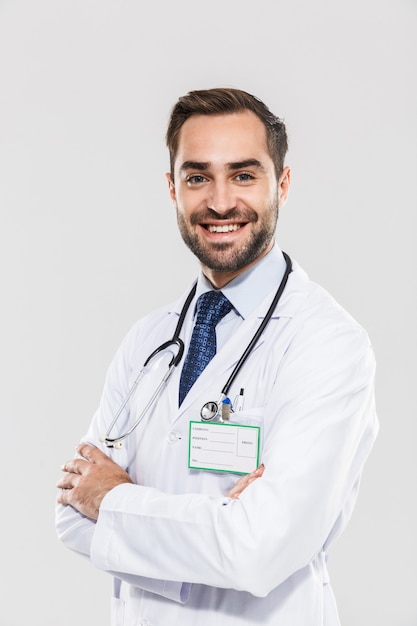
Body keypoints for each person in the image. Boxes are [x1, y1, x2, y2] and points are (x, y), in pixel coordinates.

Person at [56, 87, 379, 626]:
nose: (221, 202)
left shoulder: (327, 344)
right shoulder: (148, 341)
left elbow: (259, 550)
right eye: (198, 176)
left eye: (245, 175)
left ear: (284, 184)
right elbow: (70, 514)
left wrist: (113, 502)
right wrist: (219, 524)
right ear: (172, 188)